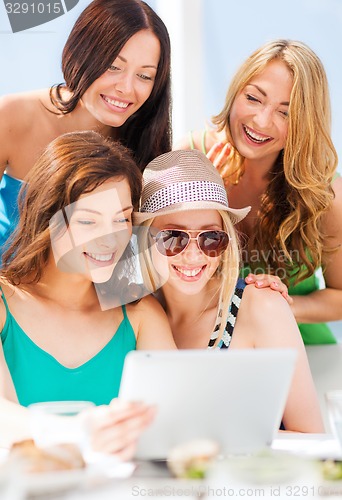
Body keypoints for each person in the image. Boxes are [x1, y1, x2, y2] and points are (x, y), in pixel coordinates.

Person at [0, 131, 176, 456]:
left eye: (122, 219)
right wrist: (80, 432)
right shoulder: (3, 304)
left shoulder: (140, 316)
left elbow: (174, 419)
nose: (109, 240)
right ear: (46, 218)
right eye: (88, 221)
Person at [134, 149, 324, 433]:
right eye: (173, 237)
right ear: (144, 237)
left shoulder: (262, 307)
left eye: (211, 238)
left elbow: (311, 438)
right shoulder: (137, 312)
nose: (193, 255)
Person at [175, 39, 342, 345]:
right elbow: (144, 271)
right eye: (253, 98)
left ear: (306, 122)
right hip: (205, 347)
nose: (262, 121)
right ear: (236, 91)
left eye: (286, 113)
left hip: (300, 348)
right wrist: (205, 200)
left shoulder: (326, 194)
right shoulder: (190, 159)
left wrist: (281, 305)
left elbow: (339, 296)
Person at [0, 0, 171, 254]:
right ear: (80, 53)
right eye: (113, 66)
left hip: (94, 292)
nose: (126, 87)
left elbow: (139, 266)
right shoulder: (12, 117)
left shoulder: (148, 146)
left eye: (144, 76)